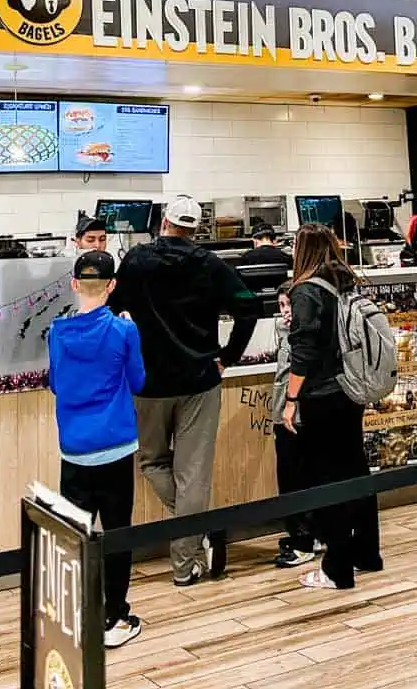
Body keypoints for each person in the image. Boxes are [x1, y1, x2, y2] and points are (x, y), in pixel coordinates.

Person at [111, 194, 261, 586]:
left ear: (164, 221)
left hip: (148, 383)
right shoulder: (210, 264)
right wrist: (228, 356)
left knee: (151, 462)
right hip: (199, 381)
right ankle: (185, 564)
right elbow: (249, 306)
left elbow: (110, 308)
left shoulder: (136, 261)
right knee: (193, 475)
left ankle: (198, 536)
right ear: (196, 229)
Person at [48, 250, 145, 648]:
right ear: (112, 286)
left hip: (73, 450)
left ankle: (78, 615)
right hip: (116, 447)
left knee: (76, 536)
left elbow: (56, 384)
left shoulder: (57, 332)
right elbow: (138, 381)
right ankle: (114, 616)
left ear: (74, 284)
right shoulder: (124, 330)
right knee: (117, 532)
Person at [282, 223, 382, 591]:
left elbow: (304, 350)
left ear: (302, 251)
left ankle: (337, 568)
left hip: (322, 395)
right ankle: (367, 553)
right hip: (351, 391)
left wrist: (291, 400)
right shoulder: (345, 283)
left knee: (327, 480)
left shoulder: (306, 290)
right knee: (355, 470)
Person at [269, 287, 318, 568]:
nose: (286, 311)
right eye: (281, 305)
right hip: (285, 414)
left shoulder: (303, 338)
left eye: (290, 304)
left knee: (294, 479)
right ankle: (308, 535)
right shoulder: (285, 331)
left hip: (296, 417)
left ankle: (303, 542)